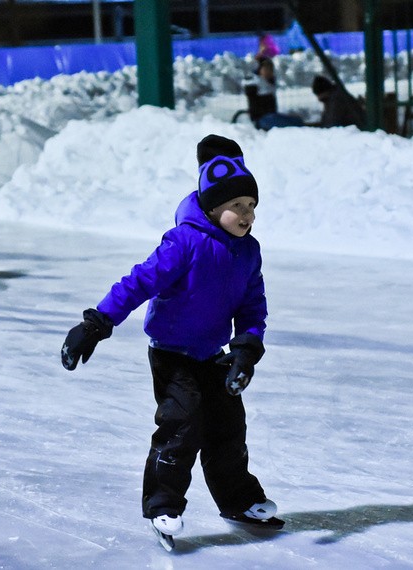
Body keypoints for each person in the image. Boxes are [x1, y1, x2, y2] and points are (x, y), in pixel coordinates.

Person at [61, 134, 280, 545]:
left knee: (229, 428)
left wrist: (246, 349)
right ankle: (163, 505)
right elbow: (139, 282)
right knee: (181, 426)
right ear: (213, 208)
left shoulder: (248, 251)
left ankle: (238, 499)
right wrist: (97, 323)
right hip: (172, 354)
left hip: (213, 355)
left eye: (251, 206)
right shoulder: (183, 242)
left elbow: (253, 305)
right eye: (237, 206)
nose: (247, 214)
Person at [243, 57, 304, 131]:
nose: (268, 72)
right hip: (260, 120)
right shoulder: (255, 83)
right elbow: (250, 91)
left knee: (297, 120)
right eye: (265, 69)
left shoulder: (270, 83)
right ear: (260, 70)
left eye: (270, 70)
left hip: (271, 116)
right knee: (292, 123)